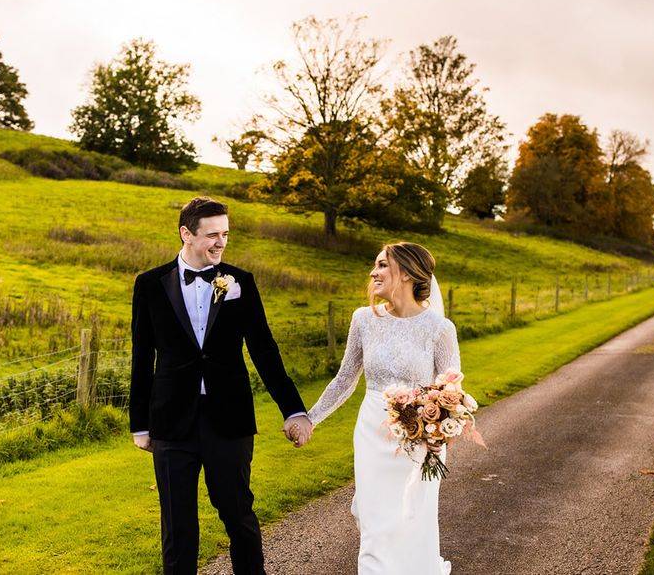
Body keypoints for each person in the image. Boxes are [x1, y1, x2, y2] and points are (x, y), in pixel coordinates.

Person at [129, 196, 313, 575]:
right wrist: (140, 424)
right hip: (171, 421)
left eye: (225, 234)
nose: (221, 242)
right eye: (212, 234)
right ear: (186, 233)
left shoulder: (240, 282)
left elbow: (264, 349)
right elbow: (141, 356)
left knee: (237, 513)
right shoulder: (149, 285)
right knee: (177, 523)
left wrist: (293, 410)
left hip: (228, 419)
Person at [304, 242, 459, 575]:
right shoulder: (364, 320)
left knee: (411, 521)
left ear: (404, 273)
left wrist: (437, 429)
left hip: (419, 437)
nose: (373, 272)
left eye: (381, 265)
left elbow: (451, 390)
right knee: (374, 525)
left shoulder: (439, 329)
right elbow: (345, 378)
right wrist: (311, 418)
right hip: (373, 431)